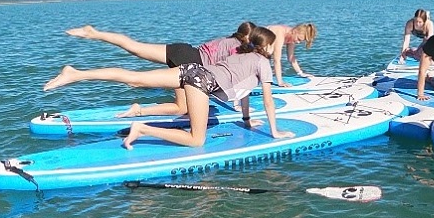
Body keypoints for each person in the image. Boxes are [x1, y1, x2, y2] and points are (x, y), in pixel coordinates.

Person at [44, 26, 293, 148]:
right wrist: (275, 132)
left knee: (135, 77)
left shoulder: (241, 53)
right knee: (196, 140)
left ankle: (76, 74)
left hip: (190, 67)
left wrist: (247, 120)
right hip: (200, 79)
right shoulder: (262, 62)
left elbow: (244, 89)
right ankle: (142, 129)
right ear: (269, 47)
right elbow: (268, 101)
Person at [64, 22, 257, 117]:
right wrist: (242, 109)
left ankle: (94, 33)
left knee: (135, 46)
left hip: (182, 49)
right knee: (183, 108)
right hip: (190, 64)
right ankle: (139, 110)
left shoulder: (228, 39)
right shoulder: (238, 48)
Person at [264, 23, 318, 87]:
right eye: (298, 39)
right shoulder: (280, 33)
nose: (298, 42)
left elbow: (291, 57)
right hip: (252, 46)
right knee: (269, 51)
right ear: (295, 31)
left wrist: (300, 73)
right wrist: (280, 82)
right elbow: (276, 60)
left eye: (301, 41)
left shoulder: (292, 36)